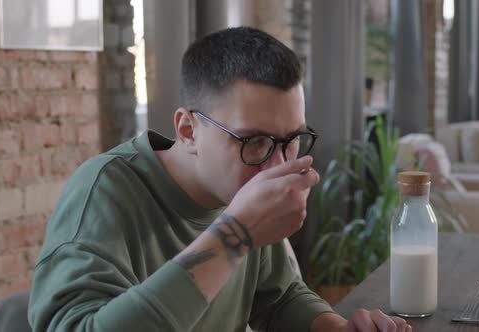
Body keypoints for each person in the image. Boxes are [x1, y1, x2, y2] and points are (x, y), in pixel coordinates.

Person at [28, 27, 411, 332]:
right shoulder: (104, 193)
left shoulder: (241, 184)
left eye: (291, 140)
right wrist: (235, 235)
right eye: (254, 140)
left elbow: (279, 298)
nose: (277, 164)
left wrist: (335, 327)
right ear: (189, 130)